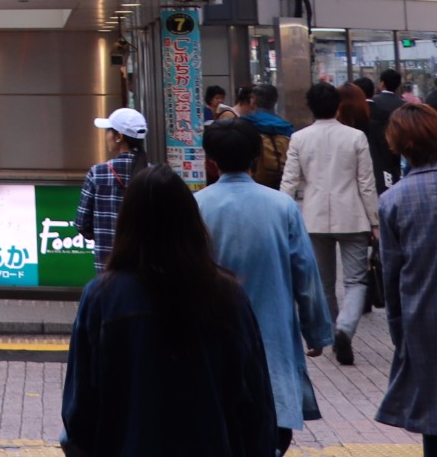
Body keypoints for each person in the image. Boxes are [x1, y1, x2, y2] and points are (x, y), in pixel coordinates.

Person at [61, 164, 279, 457]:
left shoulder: (102, 297)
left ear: (127, 223)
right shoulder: (228, 295)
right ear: (191, 221)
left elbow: (80, 407)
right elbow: (255, 403)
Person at [199, 119, 333, 452]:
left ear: (210, 161)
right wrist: (316, 332)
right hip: (271, 354)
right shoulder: (282, 207)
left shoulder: (195, 207)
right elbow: (306, 275)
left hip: (210, 352)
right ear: (256, 157)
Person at [281, 82, 379, 365]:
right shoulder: (355, 137)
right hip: (353, 216)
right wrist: (375, 221)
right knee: (355, 280)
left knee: (324, 283)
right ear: (337, 105)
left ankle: (334, 331)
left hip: (313, 219)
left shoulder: (299, 138)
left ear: (310, 107)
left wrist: (283, 218)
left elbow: (289, 181)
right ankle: (345, 328)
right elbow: (366, 183)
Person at [375, 102, 437, 452]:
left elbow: (393, 277)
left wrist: (400, 335)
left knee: (433, 417)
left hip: (424, 321)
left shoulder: (393, 201)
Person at [75, 108, 149, 270]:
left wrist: (104, 236)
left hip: (108, 266)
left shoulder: (98, 173)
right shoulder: (153, 174)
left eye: (109, 131)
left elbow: (81, 223)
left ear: (119, 137)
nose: (106, 136)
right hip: (146, 268)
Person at [243, 83, 296, 190]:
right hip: (280, 180)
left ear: (253, 100)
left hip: (253, 181)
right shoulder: (287, 128)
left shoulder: (245, 124)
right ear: (275, 101)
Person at [373, 69, 408, 189]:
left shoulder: (374, 102)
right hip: (399, 148)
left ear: (382, 83)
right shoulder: (404, 105)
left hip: (378, 149)